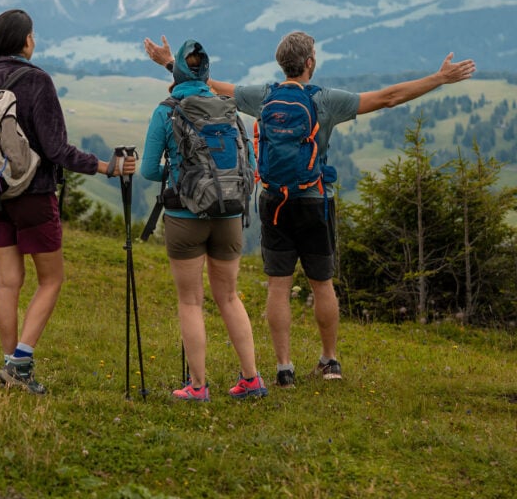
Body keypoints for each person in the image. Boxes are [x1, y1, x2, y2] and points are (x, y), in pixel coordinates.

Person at [144, 31, 476, 388]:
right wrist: (439, 78)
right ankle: (330, 361)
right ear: (309, 63)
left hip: (274, 202)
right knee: (322, 283)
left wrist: (170, 63)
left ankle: (284, 368)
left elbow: (206, 85)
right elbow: (388, 98)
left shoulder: (263, 96)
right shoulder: (325, 100)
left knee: (278, 286)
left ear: (281, 62)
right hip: (316, 199)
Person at [0, 9, 136, 395]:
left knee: (7, 282)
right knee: (51, 279)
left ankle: (10, 363)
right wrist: (105, 167)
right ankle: (19, 366)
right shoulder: (36, 80)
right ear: (26, 40)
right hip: (32, 194)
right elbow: (57, 149)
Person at [141, 39, 267, 401]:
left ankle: (197, 386)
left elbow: (149, 170)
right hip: (230, 214)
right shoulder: (230, 110)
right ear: (207, 72)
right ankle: (252, 379)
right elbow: (250, 167)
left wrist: (180, 176)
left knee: (191, 301)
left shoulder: (166, 111)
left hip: (185, 216)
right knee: (229, 296)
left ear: (178, 72)